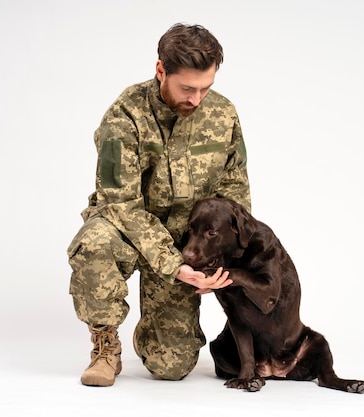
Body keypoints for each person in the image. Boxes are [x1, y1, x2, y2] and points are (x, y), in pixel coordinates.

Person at [67, 22, 252, 387]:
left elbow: (234, 194)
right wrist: (171, 264)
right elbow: (120, 203)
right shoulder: (124, 116)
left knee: (172, 367)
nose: (196, 99)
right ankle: (105, 347)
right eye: (187, 88)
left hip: (188, 243)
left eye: (205, 88)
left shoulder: (223, 115)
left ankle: (152, 332)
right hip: (127, 230)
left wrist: (221, 263)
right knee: (94, 242)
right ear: (160, 71)